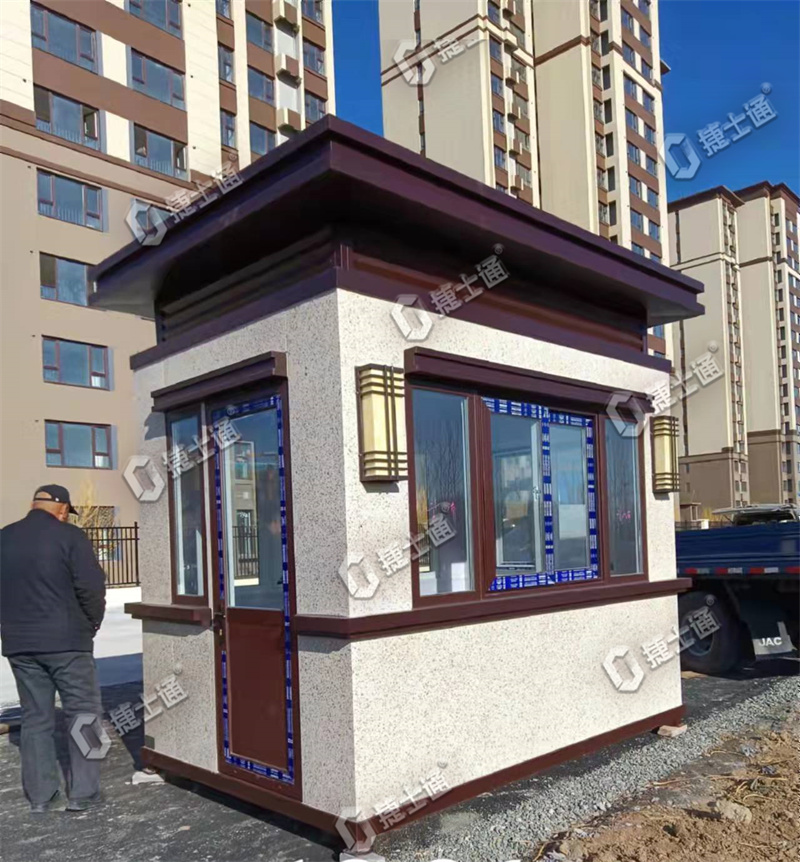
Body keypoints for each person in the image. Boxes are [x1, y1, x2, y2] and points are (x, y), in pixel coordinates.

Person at [0, 485, 106, 813]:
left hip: (20, 645)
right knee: (84, 714)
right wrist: (92, 623)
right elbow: (91, 587)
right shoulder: (70, 537)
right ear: (61, 509)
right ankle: (85, 792)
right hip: (68, 643)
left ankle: (41, 797)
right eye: (66, 512)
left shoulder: (4, 537)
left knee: (35, 718)